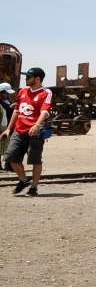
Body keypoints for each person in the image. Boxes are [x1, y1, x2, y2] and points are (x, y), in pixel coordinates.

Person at [1, 67, 53, 196]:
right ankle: (23, 180)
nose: (26, 79)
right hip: (19, 130)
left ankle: (34, 187)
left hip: (34, 132)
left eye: (28, 77)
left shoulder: (46, 93)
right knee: (11, 157)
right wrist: (8, 129)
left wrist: (37, 125)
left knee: (35, 160)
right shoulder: (23, 91)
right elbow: (17, 111)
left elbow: (45, 111)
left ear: (37, 79)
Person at [0, 82, 16, 170]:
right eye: (6, 93)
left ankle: (8, 165)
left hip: (10, 126)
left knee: (10, 146)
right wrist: (11, 107)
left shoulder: (8, 101)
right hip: (2, 126)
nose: (7, 94)